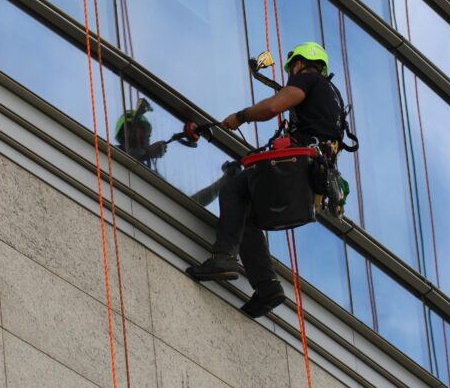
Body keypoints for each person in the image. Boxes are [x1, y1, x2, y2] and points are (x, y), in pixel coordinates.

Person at [186, 42, 345, 318]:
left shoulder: (308, 80)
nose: (290, 74)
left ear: (300, 63)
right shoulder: (332, 96)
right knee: (247, 212)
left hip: (297, 167)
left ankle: (223, 257)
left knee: (234, 189)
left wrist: (241, 116)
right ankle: (267, 286)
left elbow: (274, 106)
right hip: (309, 182)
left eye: (291, 68)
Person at [115, 98, 168, 169]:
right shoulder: (113, 153)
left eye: (147, 133)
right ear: (126, 131)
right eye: (142, 129)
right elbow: (128, 159)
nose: (145, 135)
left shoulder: (145, 170)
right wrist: (147, 153)